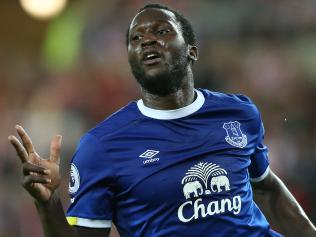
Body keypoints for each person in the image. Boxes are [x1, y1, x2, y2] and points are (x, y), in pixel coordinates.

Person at [8, 3, 316, 237]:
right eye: (136, 38)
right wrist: (47, 204)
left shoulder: (238, 113)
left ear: (191, 51)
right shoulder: (101, 147)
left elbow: (267, 188)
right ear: (131, 60)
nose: (147, 40)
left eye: (162, 31)